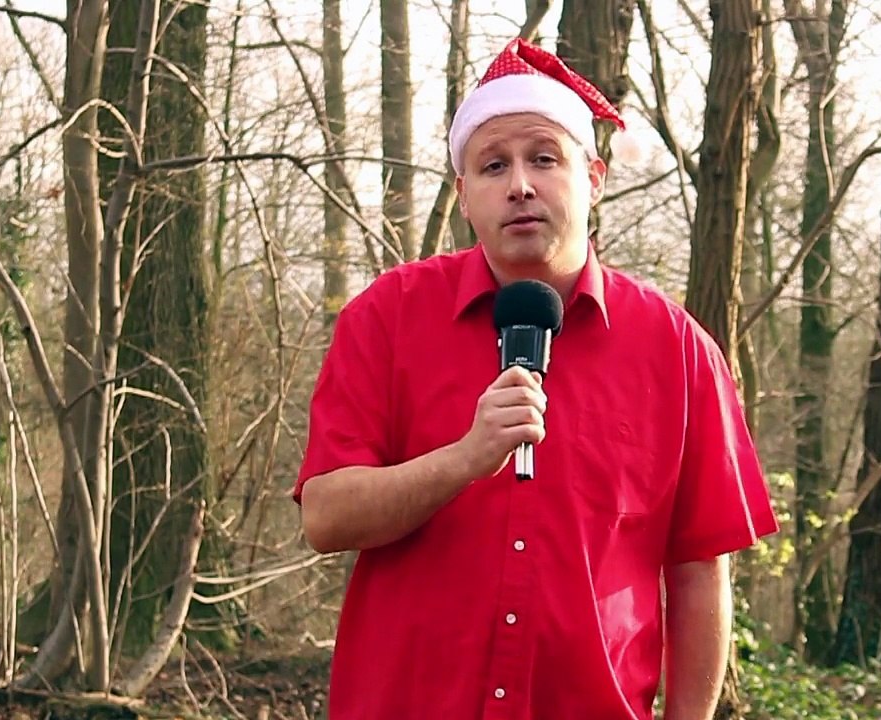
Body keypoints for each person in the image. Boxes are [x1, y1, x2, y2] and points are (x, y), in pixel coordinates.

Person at [293, 37, 778, 720]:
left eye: (544, 158)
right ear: (464, 196)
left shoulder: (677, 350)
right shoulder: (386, 318)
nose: (519, 184)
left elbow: (700, 568)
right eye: (493, 165)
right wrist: (466, 458)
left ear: (595, 178)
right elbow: (326, 516)